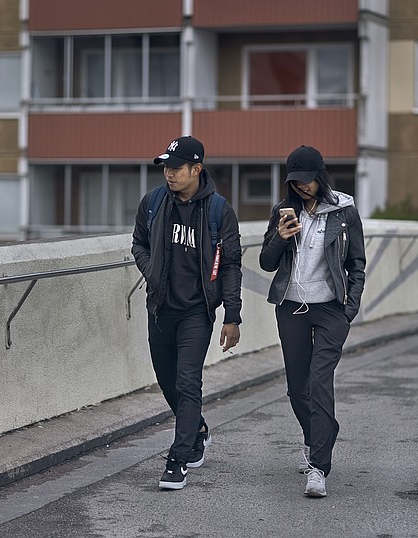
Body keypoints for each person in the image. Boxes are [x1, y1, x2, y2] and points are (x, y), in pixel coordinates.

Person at [132, 135, 242, 490]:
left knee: (187, 381)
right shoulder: (153, 202)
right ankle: (197, 429)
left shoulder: (218, 211)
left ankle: (177, 460)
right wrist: (152, 272)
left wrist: (232, 315)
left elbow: (231, 265)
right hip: (161, 309)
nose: (169, 174)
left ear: (197, 169)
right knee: (167, 381)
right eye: (166, 167)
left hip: (197, 311)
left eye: (177, 168)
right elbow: (139, 243)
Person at [259, 145, 366, 498]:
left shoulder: (345, 211)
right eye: (295, 181)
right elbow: (266, 262)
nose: (302, 187)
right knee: (297, 389)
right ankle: (315, 437)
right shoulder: (282, 212)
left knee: (321, 382)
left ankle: (318, 467)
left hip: (331, 308)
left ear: (320, 176)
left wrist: (350, 308)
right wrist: (280, 236)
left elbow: (357, 264)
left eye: (307, 181)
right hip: (291, 307)